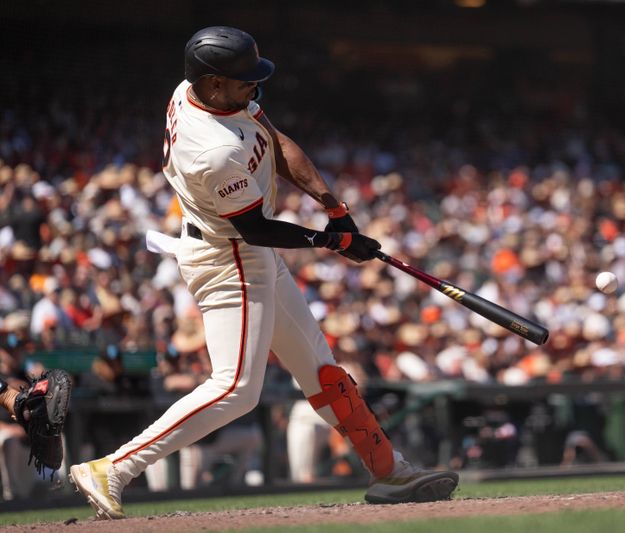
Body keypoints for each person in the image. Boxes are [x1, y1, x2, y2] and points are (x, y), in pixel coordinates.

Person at [69, 26, 458, 520]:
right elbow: (255, 229)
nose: (254, 87)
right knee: (236, 388)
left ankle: (389, 470)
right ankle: (113, 468)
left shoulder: (204, 94)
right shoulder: (212, 150)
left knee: (322, 370)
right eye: (242, 81)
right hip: (226, 255)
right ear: (213, 84)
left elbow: (274, 141)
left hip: (243, 249)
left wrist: (333, 208)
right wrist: (330, 241)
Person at [0, 370, 72, 480]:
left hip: (22, 434)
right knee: (9, 439)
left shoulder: (21, 373)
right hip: (7, 433)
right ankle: (21, 407)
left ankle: (21, 407)